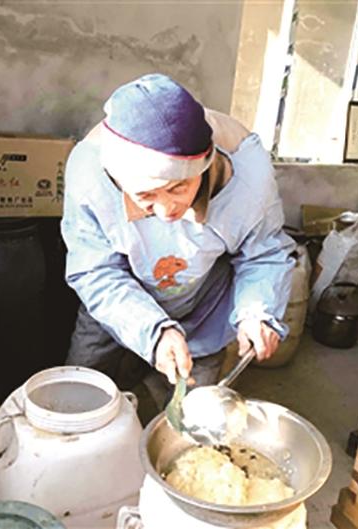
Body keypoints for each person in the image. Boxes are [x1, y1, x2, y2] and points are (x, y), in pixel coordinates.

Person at [60, 73, 295, 408]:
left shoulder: (248, 177)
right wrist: (153, 331)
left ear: (205, 165)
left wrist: (258, 310)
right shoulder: (89, 177)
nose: (166, 210)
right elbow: (95, 270)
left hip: (204, 305)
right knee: (81, 395)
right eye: (146, 196)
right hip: (116, 300)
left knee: (191, 415)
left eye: (178, 188)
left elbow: (263, 254)